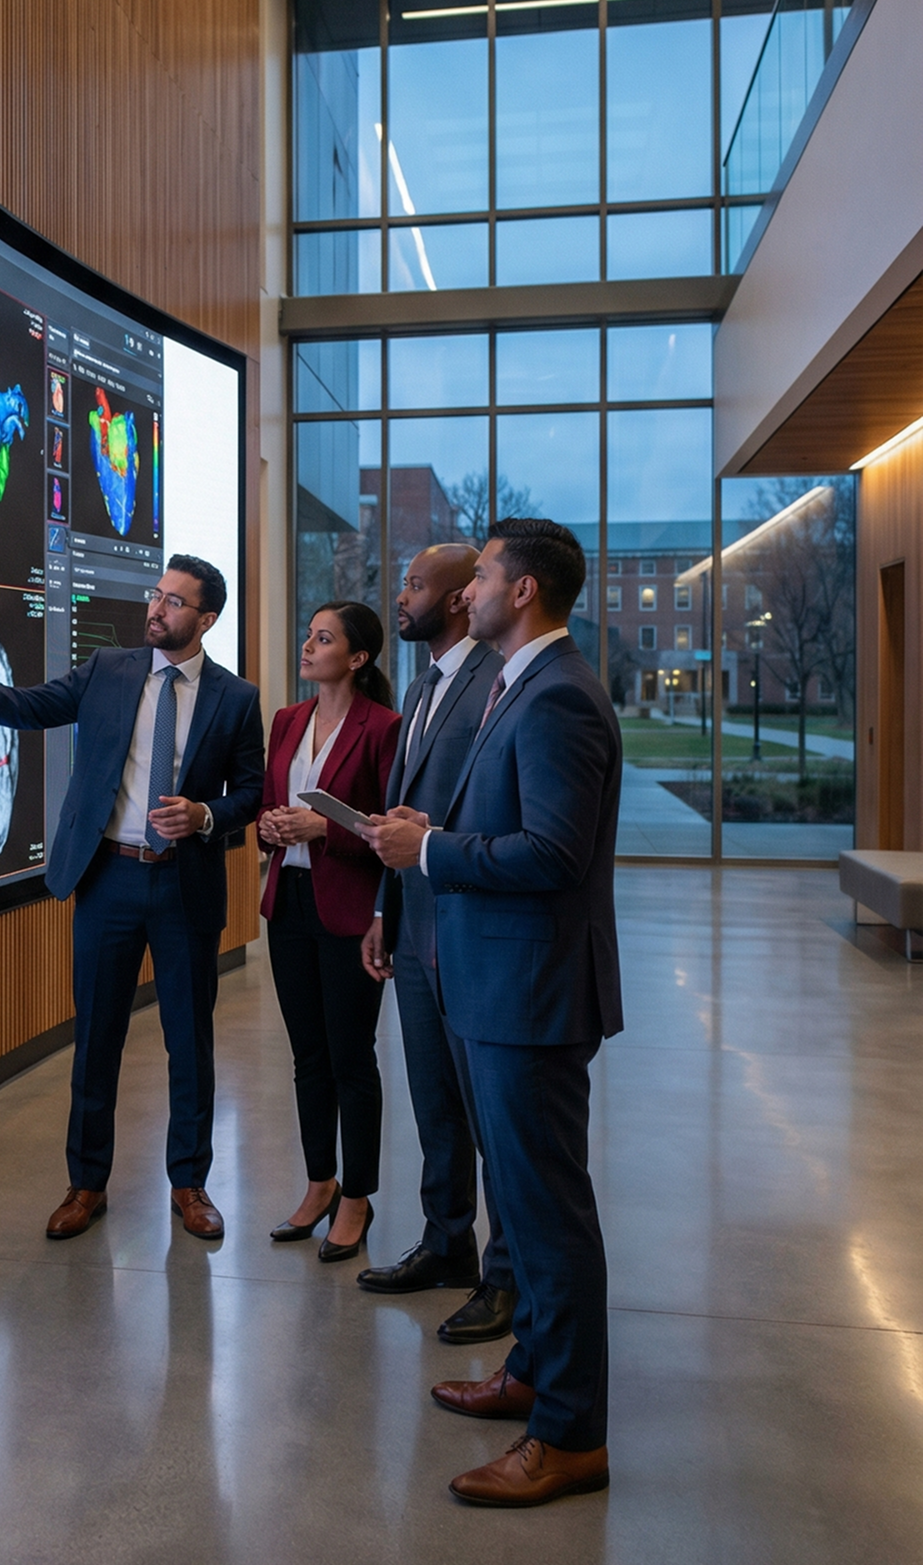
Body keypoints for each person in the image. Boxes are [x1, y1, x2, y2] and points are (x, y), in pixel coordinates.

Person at [0, 555, 263, 1243]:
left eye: (174, 602)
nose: (157, 608)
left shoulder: (234, 699)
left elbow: (251, 792)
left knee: (190, 1042)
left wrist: (206, 815)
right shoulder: (109, 669)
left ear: (205, 619)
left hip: (184, 884)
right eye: (157, 595)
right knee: (96, 1040)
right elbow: (28, 707)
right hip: (108, 879)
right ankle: (86, 1182)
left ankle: (190, 1182)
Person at [378, 518, 622, 1509]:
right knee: (518, 1210)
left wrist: (430, 850)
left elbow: (554, 855)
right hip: (493, 986)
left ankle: (568, 1434)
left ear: (522, 590)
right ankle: (532, 1373)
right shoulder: (518, 683)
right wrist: (435, 838)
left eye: (479, 574)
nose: (466, 588)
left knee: (548, 1217)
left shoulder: (558, 695)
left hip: (528, 995)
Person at [356, 546, 515, 1345]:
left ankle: (505, 1274)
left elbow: (493, 816)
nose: (401, 594)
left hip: (471, 929)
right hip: (415, 925)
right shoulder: (422, 683)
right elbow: (401, 811)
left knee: (492, 1119)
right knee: (435, 1103)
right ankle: (446, 1241)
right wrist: (385, 909)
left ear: (458, 600)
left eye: (415, 584)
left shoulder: (498, 683)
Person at [257, 603, 401, 1262]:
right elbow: (268, 804)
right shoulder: (288, 719)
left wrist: (324, 830)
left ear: (359, 656)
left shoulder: (383, 728)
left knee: (351, 1057)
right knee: (307, 1056)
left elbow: (390, 832)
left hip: (347, 906)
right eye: (308, 633)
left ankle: (357, 1196)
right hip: (287, 901)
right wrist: (271, 826)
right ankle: (320, 1182)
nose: (308, 645)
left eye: (323, 637)